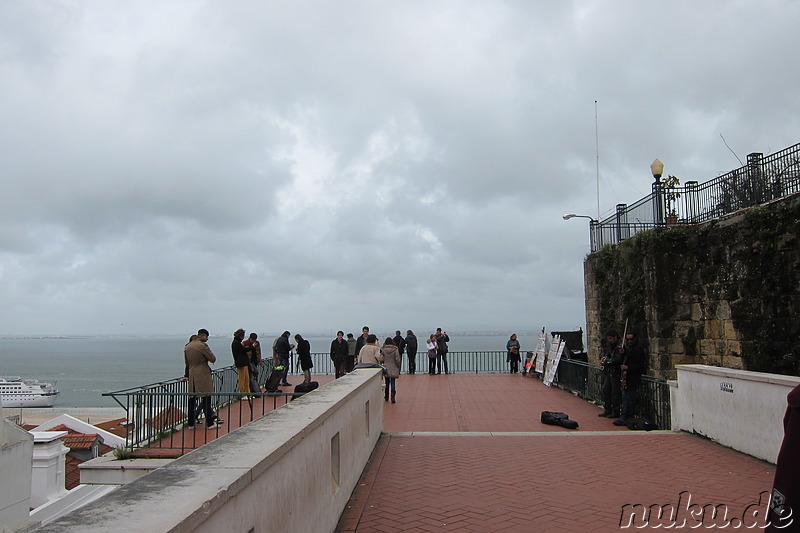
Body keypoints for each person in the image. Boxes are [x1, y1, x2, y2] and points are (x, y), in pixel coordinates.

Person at [185, 329, 222, 429]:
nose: (207, 339)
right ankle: (209, 423)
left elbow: (187, 363)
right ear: (203, 336)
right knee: (206, 397)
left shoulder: (188, 346)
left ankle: (191, 423)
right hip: (202, 373)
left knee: (192, 399)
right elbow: (212, 358)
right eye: (207, 337)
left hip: (192, 373)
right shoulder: (202, 346)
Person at [614, 331, 647, 426]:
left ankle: (628, 417)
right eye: (627, 339)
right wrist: (623, 353)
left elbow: (640, 365)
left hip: (633, 377)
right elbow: (625, 359)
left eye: (631, 339)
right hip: (627, 378)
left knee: (629, 398)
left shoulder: (638, 349)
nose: (629, 341)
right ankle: (624, 416)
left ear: (635, 339)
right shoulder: (629, 349)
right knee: (625, 398)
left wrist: (628, 368)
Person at [598, 329, 623, 418]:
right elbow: (607, 355)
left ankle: (616, 411)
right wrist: (603, 360)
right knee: (606, 390)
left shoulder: (619, 347)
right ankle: (608, 409)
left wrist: (607, 362)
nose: (610, 340)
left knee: (615, 393)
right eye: (609, 339)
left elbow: (617, 359)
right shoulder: (611, 347)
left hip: (616, 372)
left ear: (615, 338)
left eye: (611, 339)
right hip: (610, 371)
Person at [381, 337, 402, 403]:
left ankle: (386, 396)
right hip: (393, 367)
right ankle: (393, 397)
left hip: (386, 367)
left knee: (387, 382)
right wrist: (398, 366)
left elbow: (381, 359)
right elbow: (397, 359)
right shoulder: (395, 349)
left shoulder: (383, 349)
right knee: (393, 382)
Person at [231, 329, 250, 396]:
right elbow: (243, 350)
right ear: (240, 336)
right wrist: (252, 347)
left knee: (246, 379)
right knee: (242, 379)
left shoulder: (237, 343)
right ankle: (243, 393)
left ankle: (247, 392)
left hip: (243, 363)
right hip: (241, 363)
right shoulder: (236, 343)